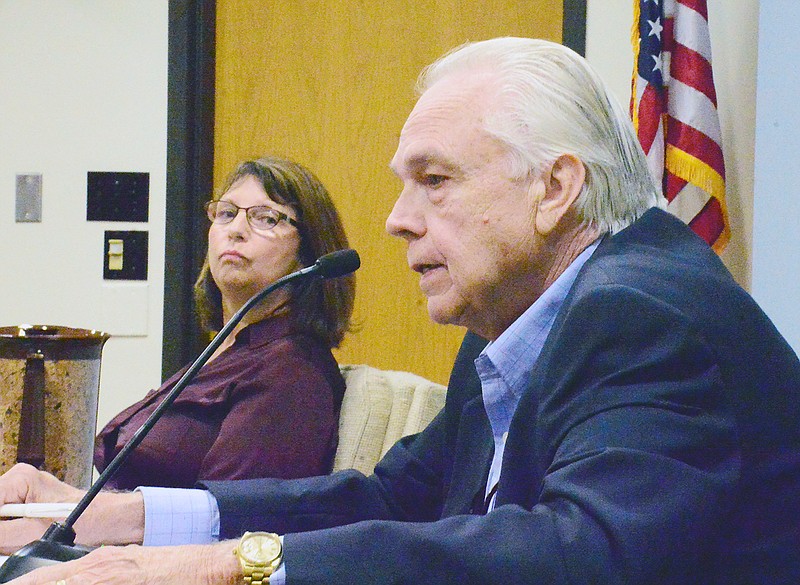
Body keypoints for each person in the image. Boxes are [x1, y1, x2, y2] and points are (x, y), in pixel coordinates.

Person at [1, 37, 799, 584]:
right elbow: (387, 497)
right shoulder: (518, 323)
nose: (397, 218)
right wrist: (131, 518)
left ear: (554, 189)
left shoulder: (643, 314)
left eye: (435, 180)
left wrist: (225, 563)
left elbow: (578, 551)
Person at [94, 155, 356, 489]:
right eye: (227, 214)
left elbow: (226, 516)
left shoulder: (291, 372)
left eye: (266, 218)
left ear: (308, 253)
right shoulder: (226, 351)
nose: (236, 230)